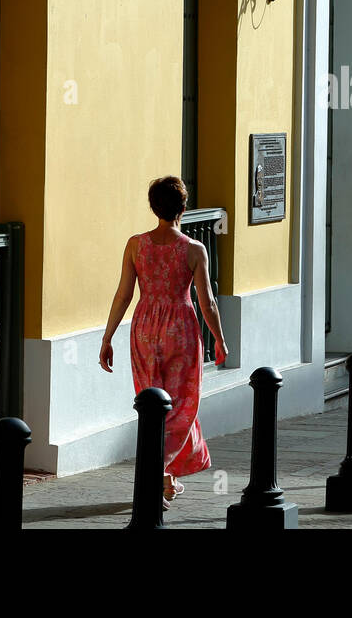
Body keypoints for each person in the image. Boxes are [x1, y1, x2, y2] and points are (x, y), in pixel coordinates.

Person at [100, 176, 228, 508]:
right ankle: (155, 475)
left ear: (153, 207)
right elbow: (207, 303)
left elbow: (124, 294)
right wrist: (219, 339)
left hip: (143, 330)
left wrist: (108, 336)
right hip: (181, 332)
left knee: (152, 406)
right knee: (181, 408)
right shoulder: (193, 249)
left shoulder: (136, 245)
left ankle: (165, 477)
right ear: (183, 208)